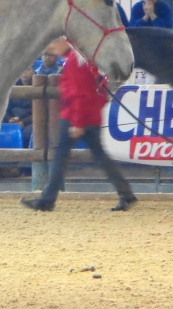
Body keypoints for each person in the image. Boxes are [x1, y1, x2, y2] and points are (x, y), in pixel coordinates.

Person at [20, 38, 137, 212]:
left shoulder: (75, 61)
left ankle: (47, 199)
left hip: (77, 117)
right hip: (88, 116)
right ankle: (125, 193)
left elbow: (78, 94)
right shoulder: (81, 58)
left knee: (60, 156)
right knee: (99, 157)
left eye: (54, 43)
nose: (51, 48)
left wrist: (77, 122)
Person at [4, 65, 34, 148]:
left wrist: (23, 122)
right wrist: (9, 118)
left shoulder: (38, 86)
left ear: (33, 71)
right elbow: (5, 108)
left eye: (28, 69)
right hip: (13, 119)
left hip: (29, 121)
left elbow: (39, 111)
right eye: (22, 69)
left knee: (27, 133)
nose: (24, 73)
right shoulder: (11, 86)